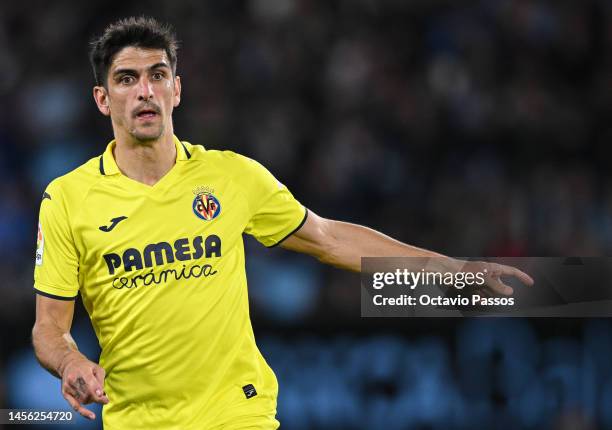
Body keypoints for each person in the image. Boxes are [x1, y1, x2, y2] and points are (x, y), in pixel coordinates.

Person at [31, 17, 533, 430]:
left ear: (176, 90)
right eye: (126, 79)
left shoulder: (231, 175)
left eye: (157, 75)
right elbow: (49, 327)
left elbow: (329, 238)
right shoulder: (69, 200)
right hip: (138, 421)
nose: (145, 91)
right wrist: (71, 362)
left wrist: (452, 271)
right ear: (103, 99)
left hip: (238, 412)